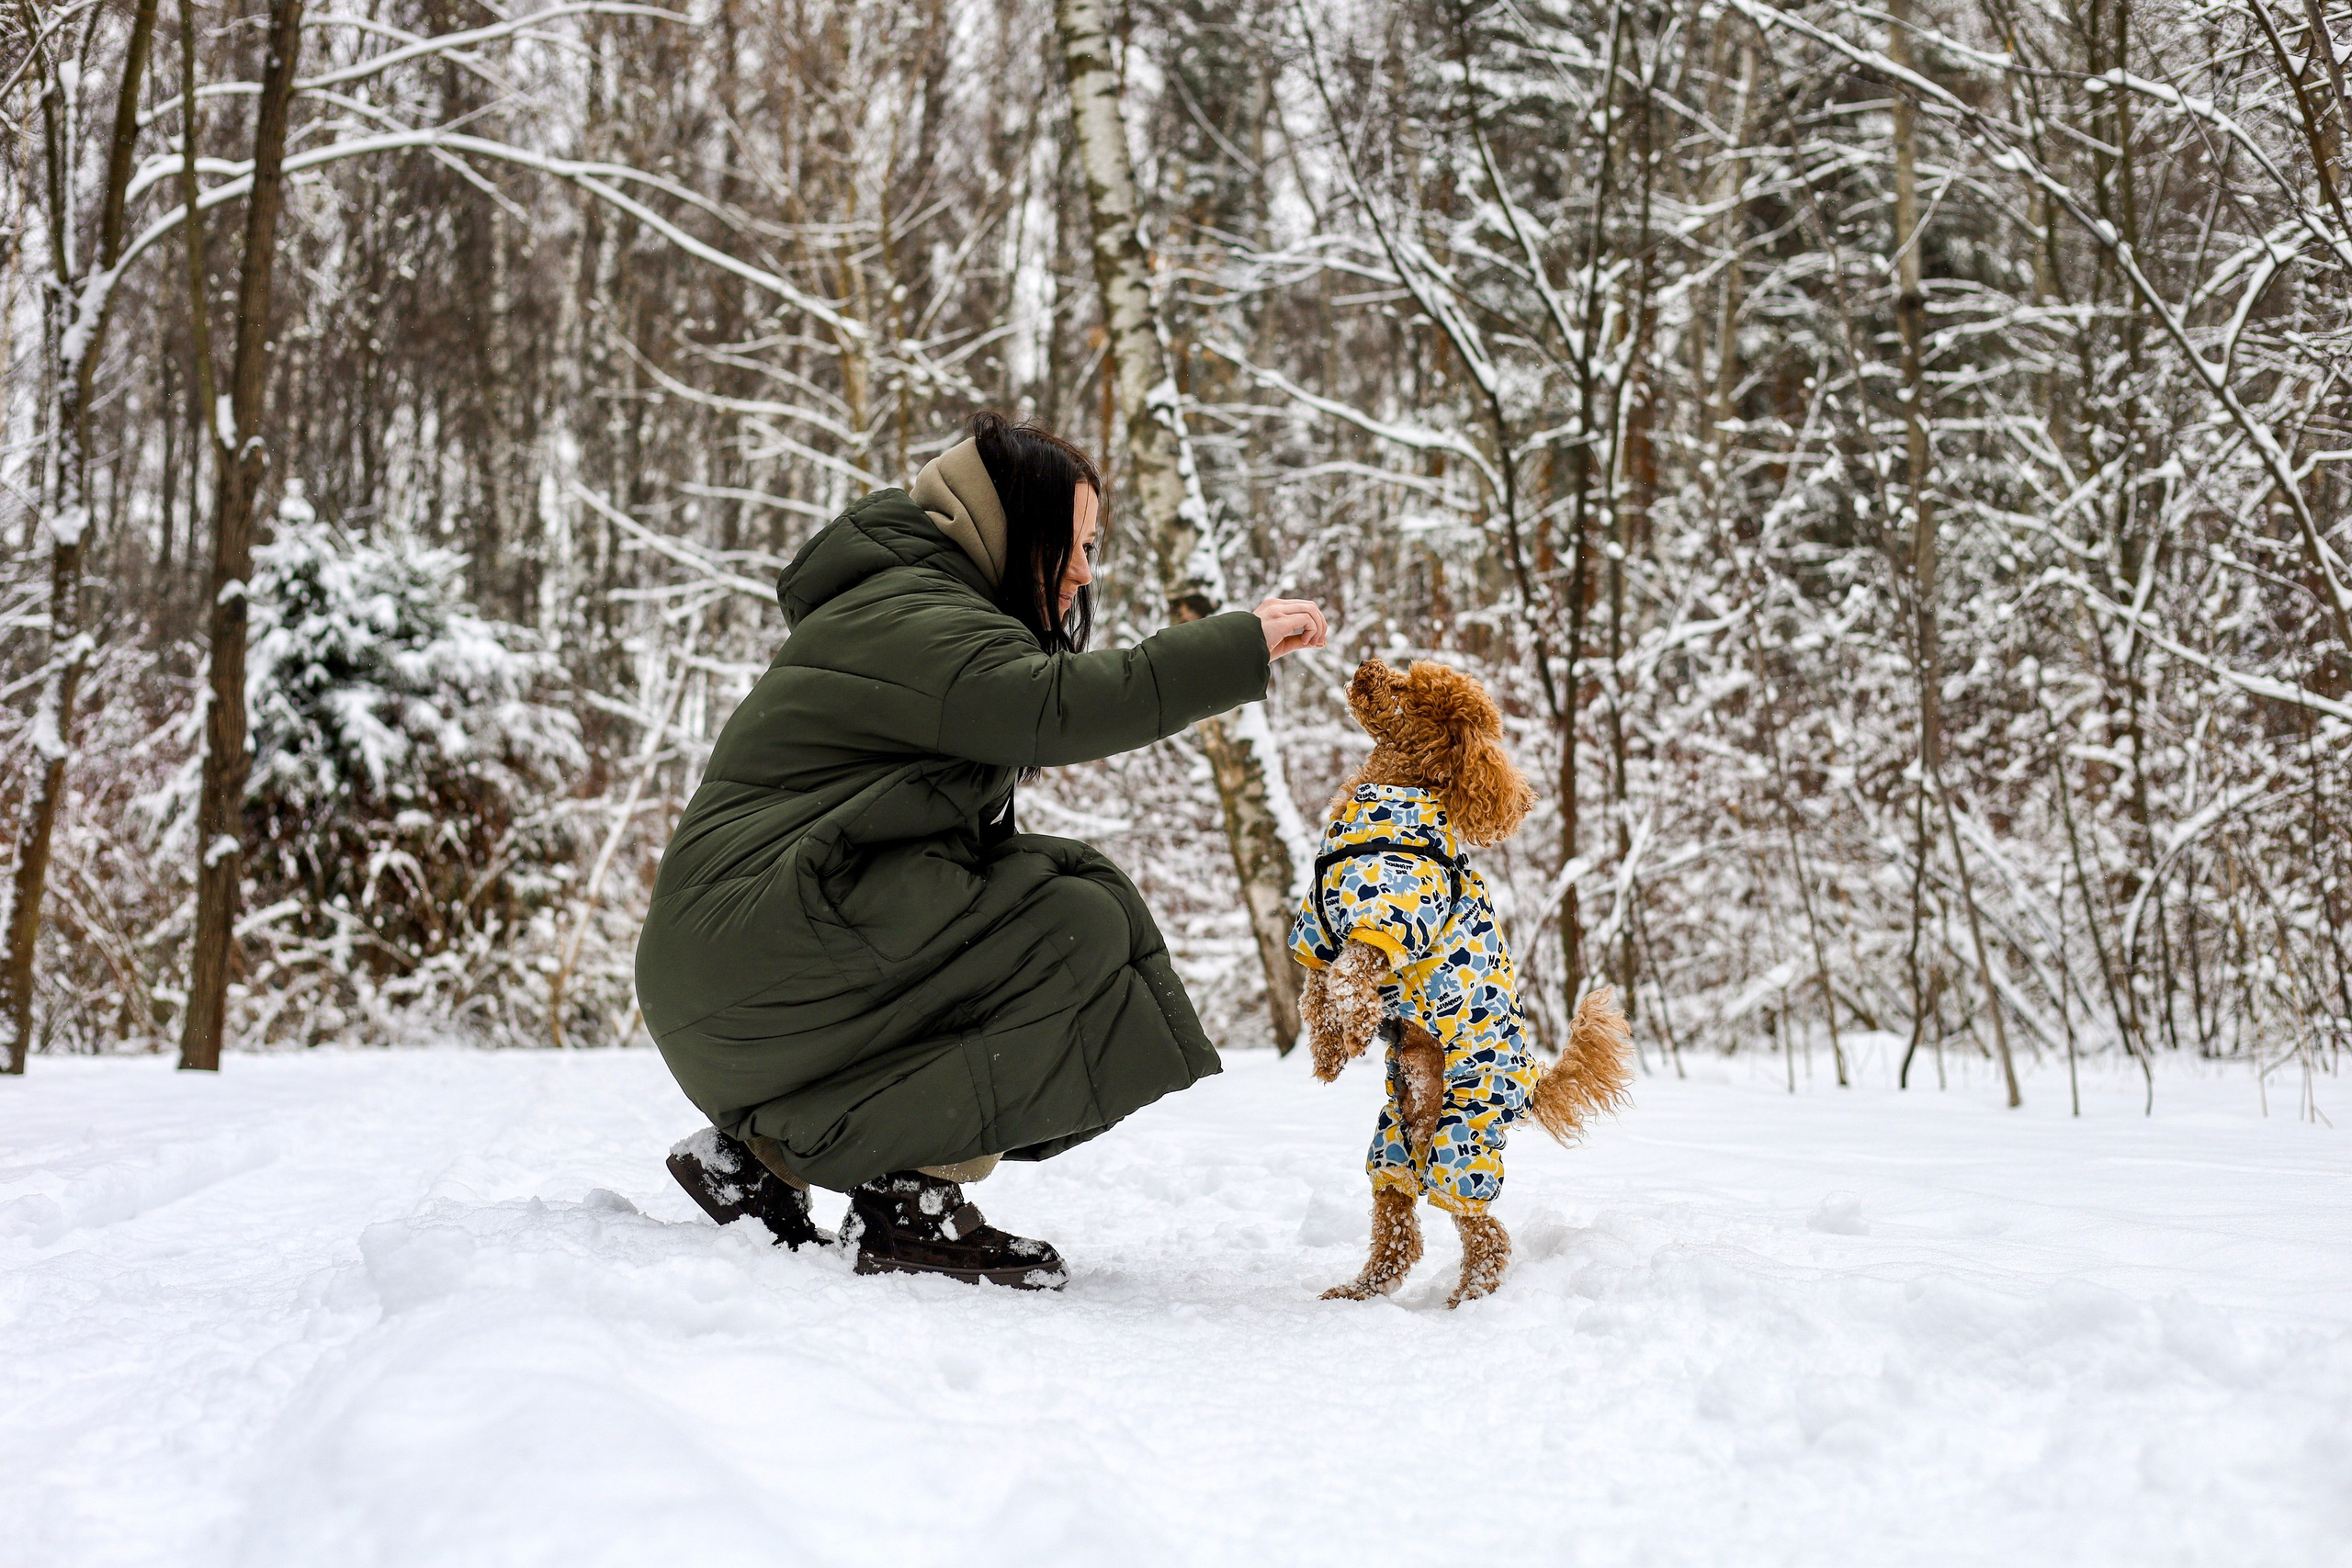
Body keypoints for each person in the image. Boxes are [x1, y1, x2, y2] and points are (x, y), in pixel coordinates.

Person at [639, 412, 1327, 1289]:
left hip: (728, 981)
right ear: (1007, 528)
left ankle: (754, 1158)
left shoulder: (897, 598)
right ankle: (911, 1200)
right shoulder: (921, 614)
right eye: (1066, 545)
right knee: (1074, 919)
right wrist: (1237, 644)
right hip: (764, 957)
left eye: (1091, 547)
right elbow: (1056, 705)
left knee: (1013, 901)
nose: (1083, 572)